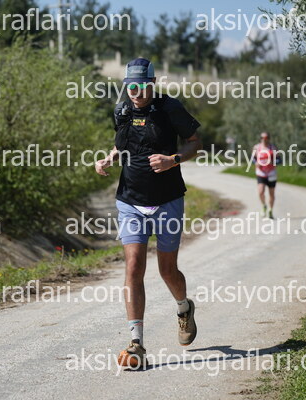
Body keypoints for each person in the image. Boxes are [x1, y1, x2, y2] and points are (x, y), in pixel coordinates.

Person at [95, 58, 202, 368]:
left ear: (152, 83)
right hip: (130, 200)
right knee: (133, 267)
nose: (136, 92)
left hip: (167, 200)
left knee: (167, 270)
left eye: (142, 86)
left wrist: (173, 160)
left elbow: (195, 143)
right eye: (131, 86)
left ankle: (183, 308)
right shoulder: (121, 111)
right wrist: (108, 158)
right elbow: (122, 145)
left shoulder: (170, 109)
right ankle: (137, 343)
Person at [252, 132, 281, 219]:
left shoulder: (273, 148)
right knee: (260, 192)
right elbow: (253, 159)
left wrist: (273, 162)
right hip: (261, 173)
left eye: (266, 138)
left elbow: (279, 160)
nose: (264, 139)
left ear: (269, 138)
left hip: (271, 173)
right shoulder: (256, 147)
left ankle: (270, 210)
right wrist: (256, 163)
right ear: (260, 138)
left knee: (271, 193)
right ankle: (264, 205)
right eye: (262, 138)